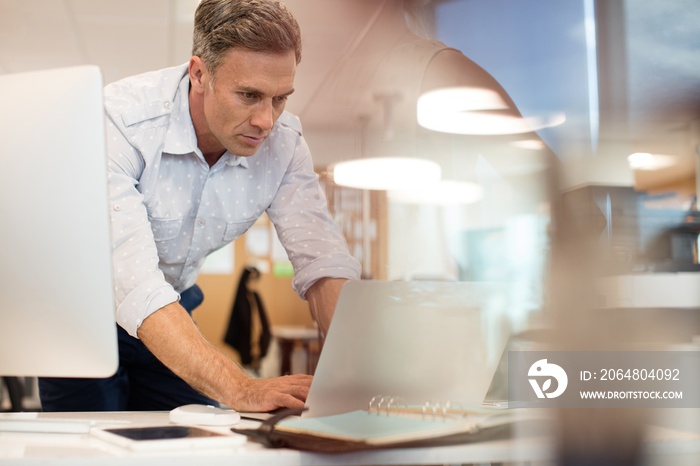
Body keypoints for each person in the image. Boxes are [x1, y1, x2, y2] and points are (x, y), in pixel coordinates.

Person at [38, 0, 361, 413]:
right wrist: (241, 387)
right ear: (199, 73)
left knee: (198, 439)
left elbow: (323, 260)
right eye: (249, 95)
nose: (266, 119)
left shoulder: (285, 144)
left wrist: (356, 374)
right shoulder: (119, 121)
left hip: (171, 310)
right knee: (88, 448)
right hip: (83, 316)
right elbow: (134, 284)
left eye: (280, 98)